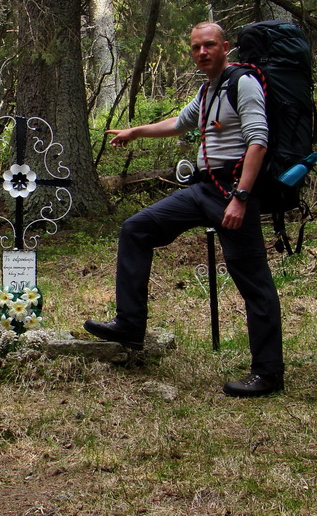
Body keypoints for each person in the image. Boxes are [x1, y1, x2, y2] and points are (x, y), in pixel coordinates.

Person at [84, 21, 284, 398]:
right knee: (136, 229)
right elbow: (180, 122)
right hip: (203, 189)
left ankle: (269, 372)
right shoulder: (208, 89)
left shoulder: (242, 83)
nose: (202, 53)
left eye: (209, 45)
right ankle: (130, 326)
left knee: (253, 282)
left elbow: (258, 141)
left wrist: (241, 198)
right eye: (196, 47)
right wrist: (136, 131)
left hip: (234, 191)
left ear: (225, 47)